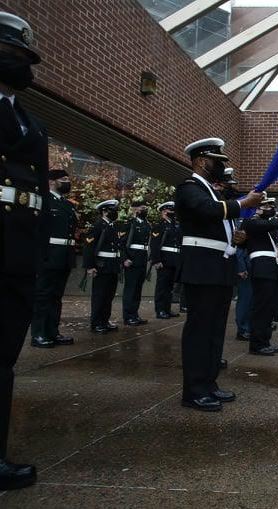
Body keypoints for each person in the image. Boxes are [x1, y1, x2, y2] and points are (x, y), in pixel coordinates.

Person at [175, 137, 262, 412]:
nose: (221, 166)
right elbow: (206, 211)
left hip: (219, 268)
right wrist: (244, 202)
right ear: (201, 161)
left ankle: (209, 384)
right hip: (202, 268)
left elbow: (215, 220)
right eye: (217, 161)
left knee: (214, 332)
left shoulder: (211, 191)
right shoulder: (189, 187)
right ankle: (194, 390)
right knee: (199, 332)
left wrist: (235, 236)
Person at [0, 11, 46, 490]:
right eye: (11, 56)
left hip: (16, 254)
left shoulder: (30, 122)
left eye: (25, 58)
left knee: (4, 357)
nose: (20, 66)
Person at [241, 196, 278, 356]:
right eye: (267, 206)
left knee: (267, 308)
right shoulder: (251, 222)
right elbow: (268, 224)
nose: (271, 208)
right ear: (258, 208)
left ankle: (264, 341)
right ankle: (257, 344)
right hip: (262, 269)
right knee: (261, 308)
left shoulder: (263, 227)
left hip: (269, 267)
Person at [30, 169, 77, 348]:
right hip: (49, 255)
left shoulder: (67, 205)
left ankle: (52, 331)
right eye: (63, 179)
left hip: (64, 256)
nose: (67, 182)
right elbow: (37, 231)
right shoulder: (44, 201)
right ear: (51, 181)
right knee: (43, 296)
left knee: (56, 296)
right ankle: (39, 334)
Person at [84, 199, 122, 334]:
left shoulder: (112, 226)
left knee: (108, 295)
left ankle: (105, 320)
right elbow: (89, 247)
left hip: (112, 266)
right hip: (101, 266)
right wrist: (90, 266)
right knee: (99, 295)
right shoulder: (98, 226)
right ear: (104, 211)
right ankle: (96, 322)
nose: (115, 213)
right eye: (113, 210)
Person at [121, 200, 151, 326]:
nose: (144, 209)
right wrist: (124, 259)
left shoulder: (146, 224)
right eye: (142, 207)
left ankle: (134, 314)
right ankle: (128, 316)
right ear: (134, 209)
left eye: (145, 207)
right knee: (130, 289)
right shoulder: (129, 224)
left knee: (138, 289)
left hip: (142, 259)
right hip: (131, 260)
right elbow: (122, 243)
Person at [150, 201, 181, 319]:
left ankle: (167, 309)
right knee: (162, 287)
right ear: (164, 211)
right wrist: (156, 260)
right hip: (164, 260)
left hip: (173, 260)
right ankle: (160, 310)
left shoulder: (174, 225)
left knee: (169, 287)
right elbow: (155, 244)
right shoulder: (159, 225)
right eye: (170, 210)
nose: (173, 212)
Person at [234, 244, 252, 341]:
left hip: (253, 269)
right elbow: (240, 250)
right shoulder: (247, 228)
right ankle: (242, 330)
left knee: (250, 301)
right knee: (245, 300)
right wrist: (241, 268)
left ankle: (248, 328)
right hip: (246, 271)